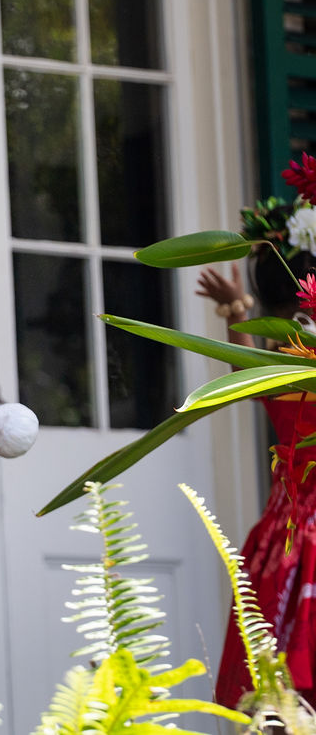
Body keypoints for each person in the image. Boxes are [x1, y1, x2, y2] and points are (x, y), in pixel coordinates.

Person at [196, 196, 316, 709]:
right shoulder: (298, 354)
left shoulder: (281, 356)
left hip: (284, 537)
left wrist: (237, 310)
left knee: (277, 695)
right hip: (303, 536)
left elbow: (242, 375)